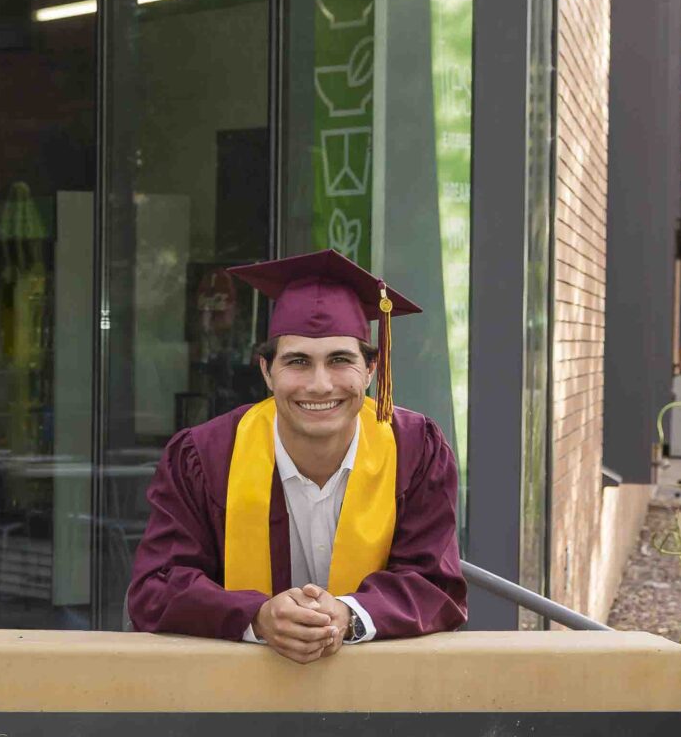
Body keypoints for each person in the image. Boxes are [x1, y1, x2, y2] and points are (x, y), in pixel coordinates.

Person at [126, 249, 465, 661]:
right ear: (266, 371)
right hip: (235, 691)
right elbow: (156, 587)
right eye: (298, 361)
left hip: (377, 691)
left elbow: (434, 584)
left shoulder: (416, 451)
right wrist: (255, 617)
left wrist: (349, 615)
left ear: (371, 370)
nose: (319, 385)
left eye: (340, 360)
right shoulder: (205, 457)